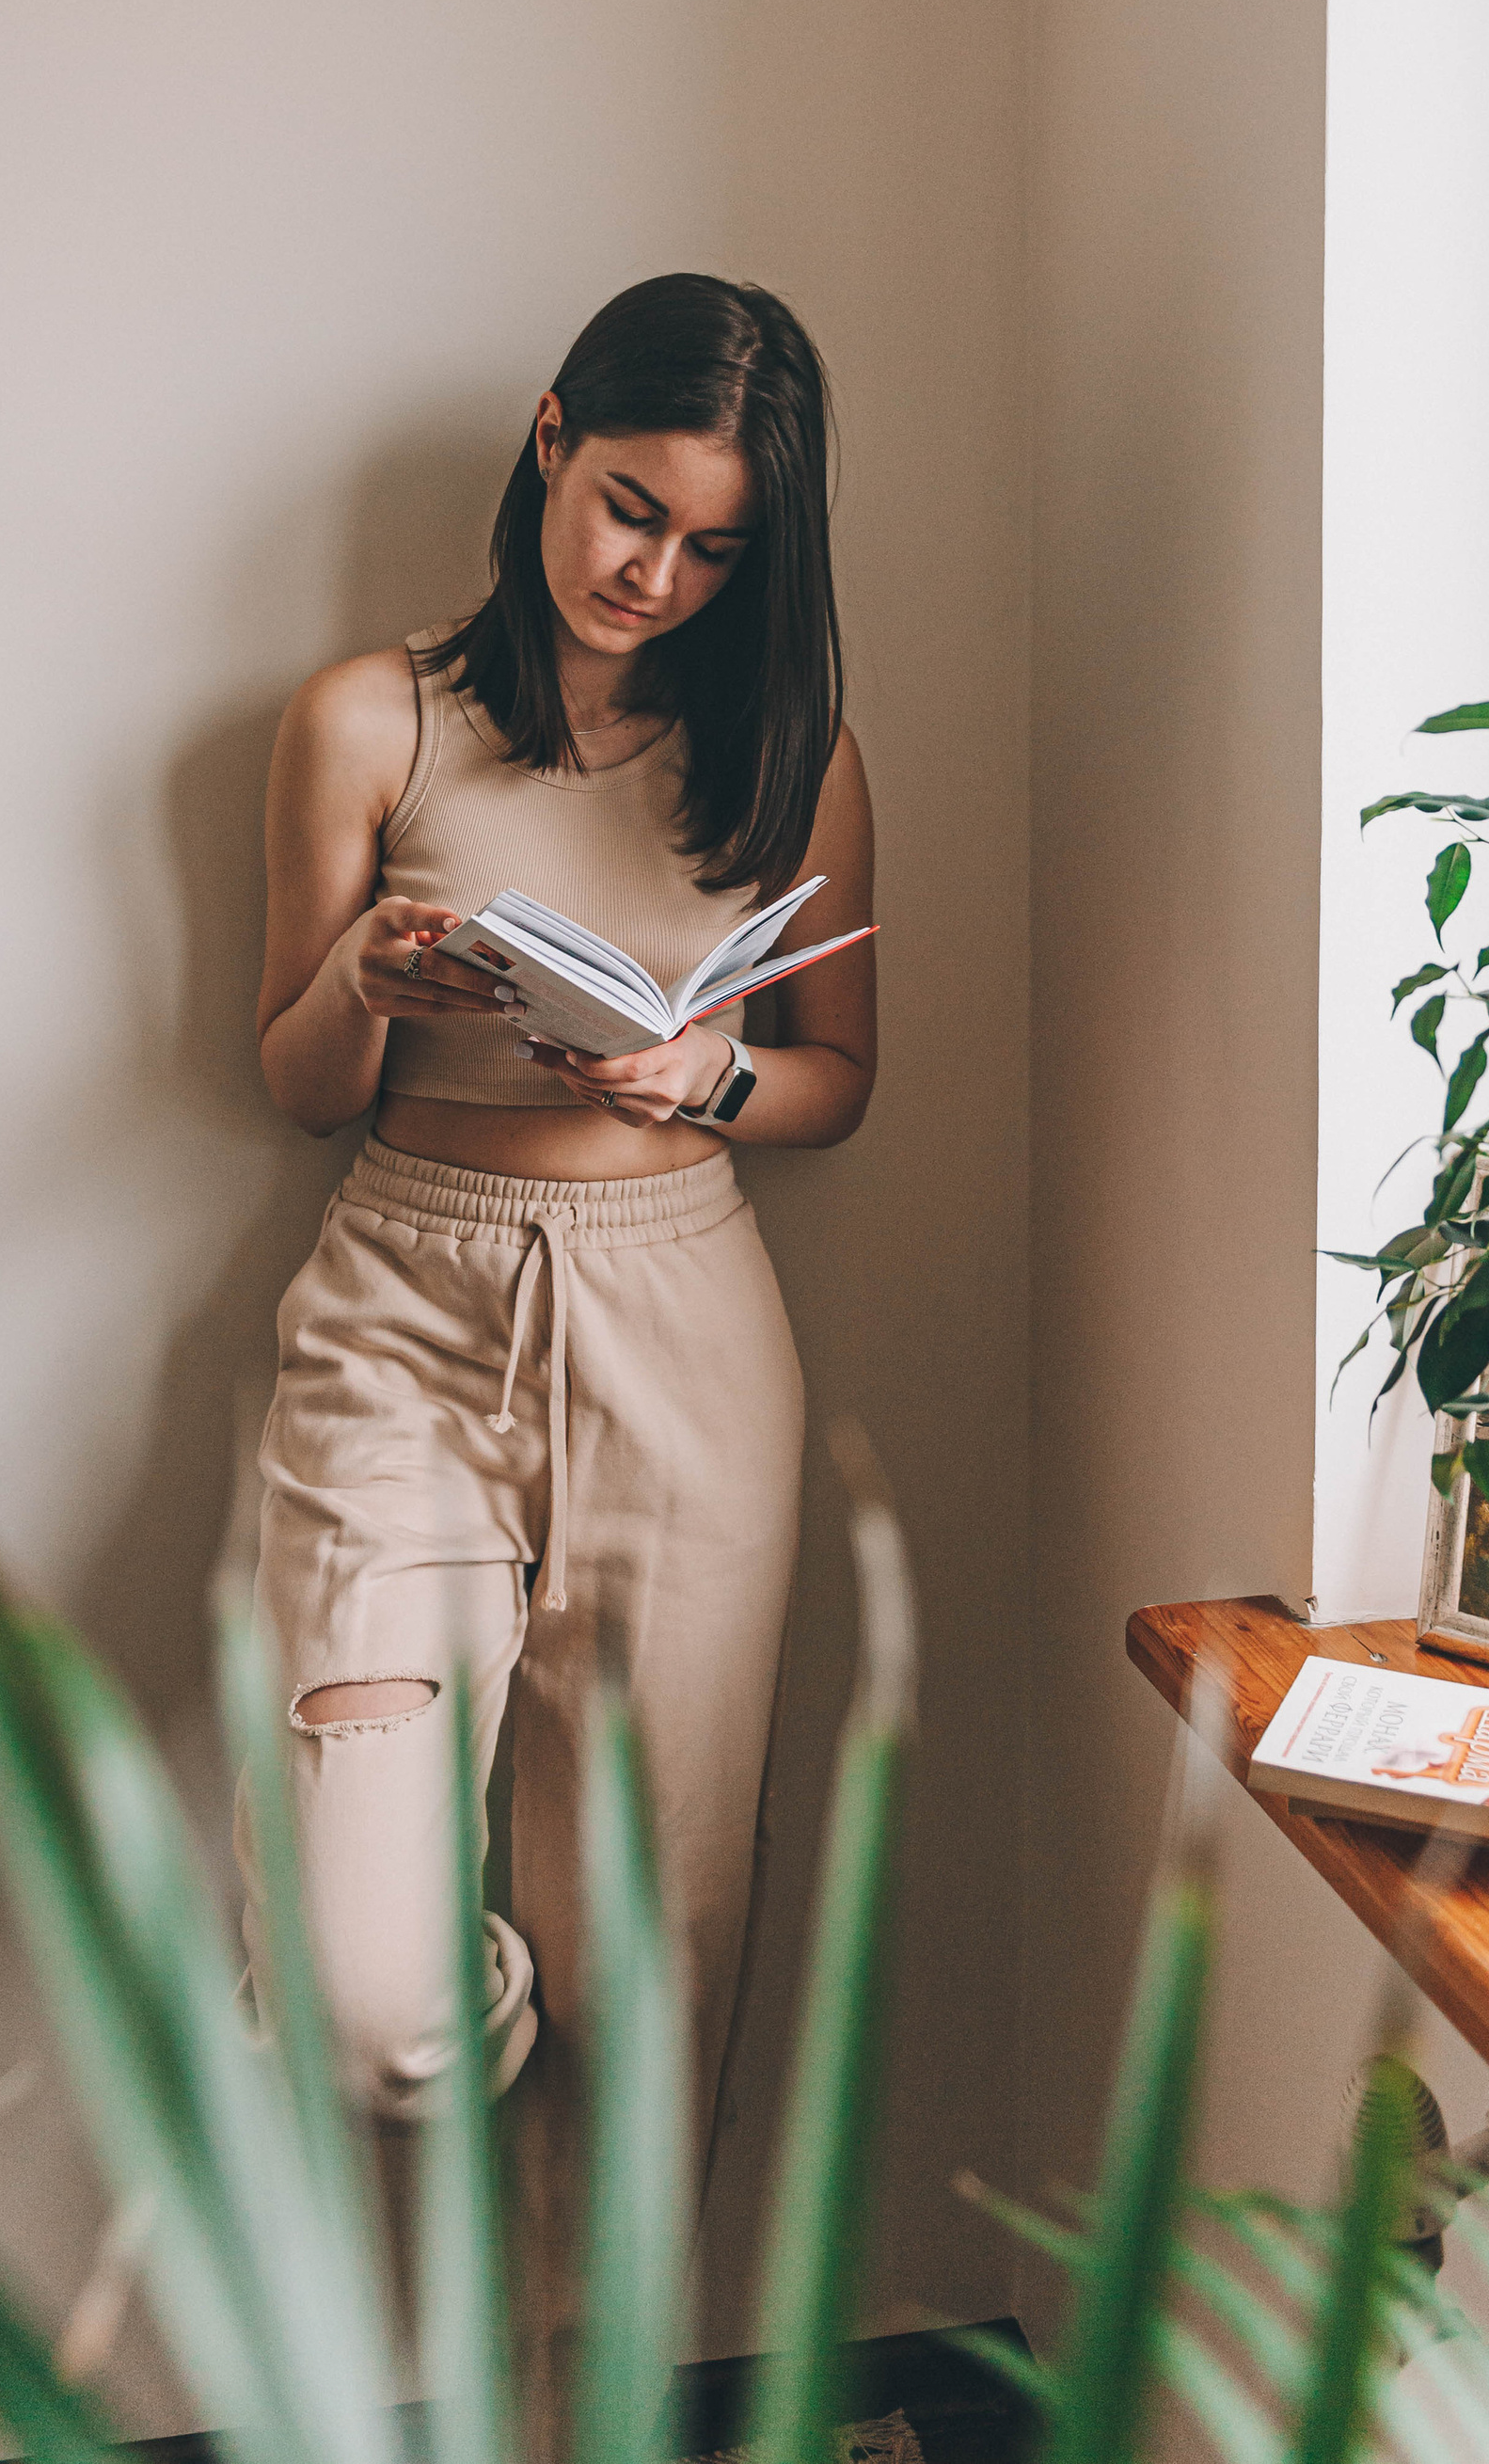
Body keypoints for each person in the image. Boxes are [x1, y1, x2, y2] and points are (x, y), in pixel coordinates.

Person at [246, 271, 877, 2247]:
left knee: (655, 1982)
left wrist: (707, 1074)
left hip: (680, 1311)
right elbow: (290, 1081)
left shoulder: (789, 753)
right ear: (546, 438)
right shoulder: (370, 715)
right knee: (359, 2000)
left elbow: (839, 1082)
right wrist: (362, 972)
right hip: (402, 1314)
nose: (657, 575)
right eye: (627, 508)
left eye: (713, 546)